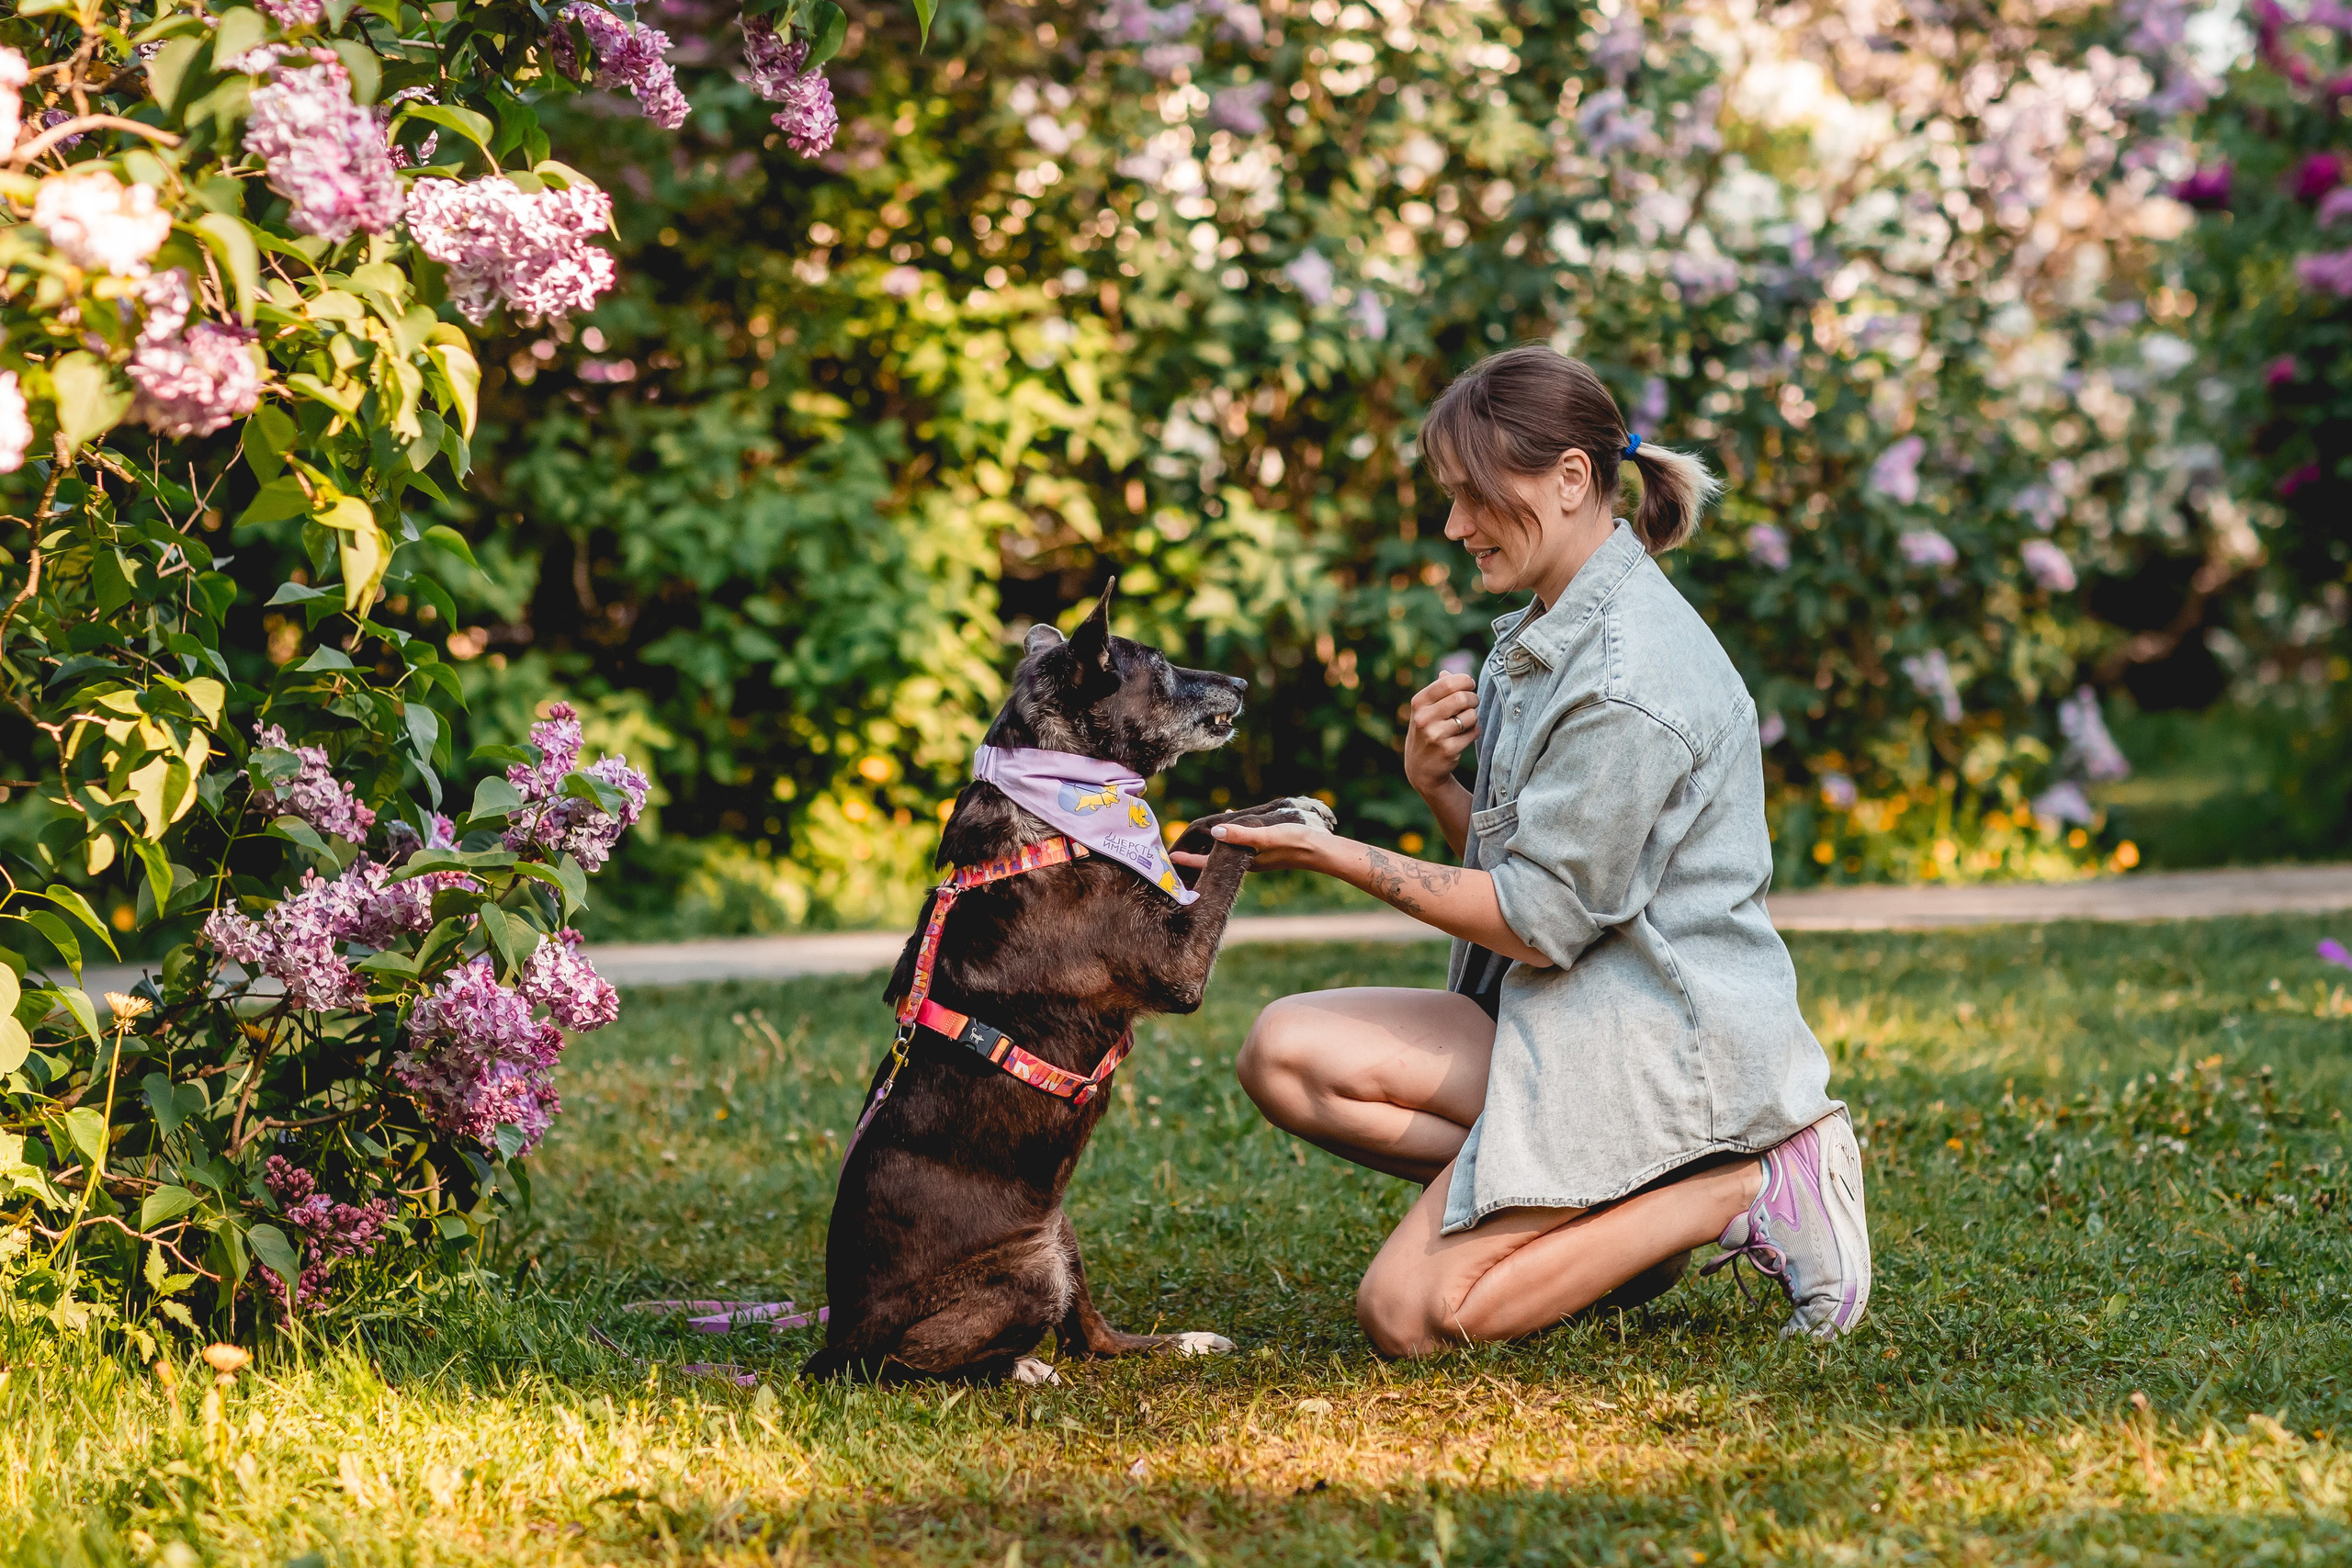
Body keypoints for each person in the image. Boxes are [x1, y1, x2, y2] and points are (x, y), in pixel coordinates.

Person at [1181, 344, 1870, 1357]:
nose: (1455, 526)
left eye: (1471, 497)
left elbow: (1537, 927)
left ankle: (1747, 1183)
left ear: (1571, 479)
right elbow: (1540, 877)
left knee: (1410, 1316)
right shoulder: (1547, 633)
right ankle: (1609, 1219)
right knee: (1285, 1055)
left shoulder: (1626, 679)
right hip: (1581, 1019)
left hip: (1661, 1051)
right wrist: (1436, 787)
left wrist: (1338, 859)